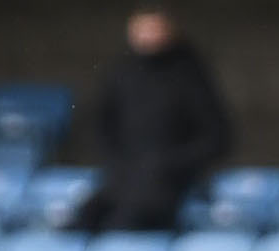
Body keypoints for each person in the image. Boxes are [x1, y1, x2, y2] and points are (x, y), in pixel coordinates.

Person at [74, 6, 233, 233]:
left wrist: (168, 164)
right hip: (124, 176)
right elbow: (100, 125)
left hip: (172, 182)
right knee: (82, 221)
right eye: (142, 29)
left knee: (126, 224)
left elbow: (216, 137)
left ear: (170, 30)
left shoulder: (190, 74)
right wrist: (118, 162)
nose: (148, 36)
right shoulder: (120, 74)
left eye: (154, 29)